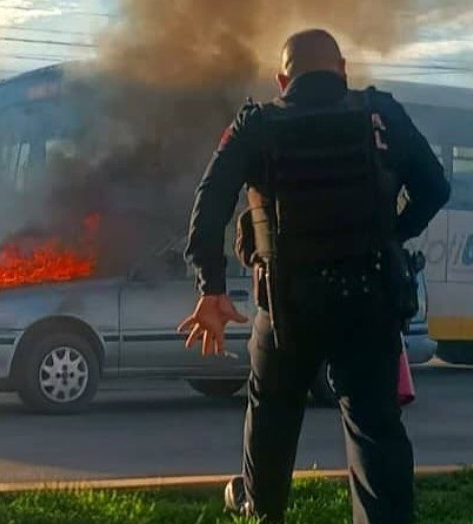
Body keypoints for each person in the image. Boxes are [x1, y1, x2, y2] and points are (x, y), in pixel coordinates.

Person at [177, 29, 449, 524]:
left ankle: (261, 509)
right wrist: (391, 234)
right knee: (374, 427)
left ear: (283, 79)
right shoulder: (381, 113)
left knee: (273, 413)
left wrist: (211, 288)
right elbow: (435, 188)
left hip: (287, 305)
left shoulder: (257, 124)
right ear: (342, 68)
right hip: (369, 299)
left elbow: (210, 204)